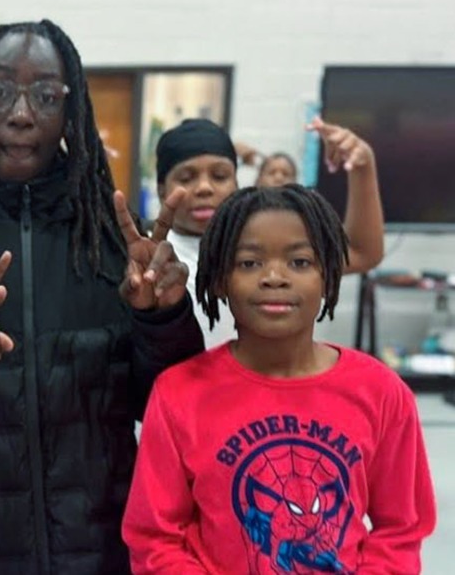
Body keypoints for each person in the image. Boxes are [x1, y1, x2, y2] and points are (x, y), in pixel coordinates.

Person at [0, 19, 204, 574]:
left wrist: (161, 319)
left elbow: (168, 412)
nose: (21, 114)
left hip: (102, 548)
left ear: (71, 113)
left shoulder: (115, 241)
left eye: (45, 95)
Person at [121, 184, 436, 573]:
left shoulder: (383, 392)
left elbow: (402, 530)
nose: (274, 277)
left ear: (328, 275)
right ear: (219, 278)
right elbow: (155, 537)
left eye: (300, 262)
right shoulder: (177, 393)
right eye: (249, 263)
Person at [156, 117, 385, 348]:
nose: (204, 188)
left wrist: (362, 169)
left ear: (236, 182)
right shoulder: (151, 255)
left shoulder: (268, 246)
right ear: (162, 190)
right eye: (186, 178)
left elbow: (363, 252)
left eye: (220, 176)